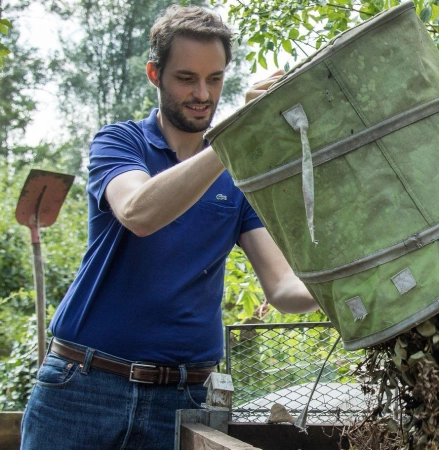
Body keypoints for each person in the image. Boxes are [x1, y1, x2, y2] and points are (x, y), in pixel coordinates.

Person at [20, 5, 318, 449]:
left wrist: (354, 287)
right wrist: (232, 140)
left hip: (182, 401)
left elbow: (282, 288)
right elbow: (140, 212)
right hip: (83, 389)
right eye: (186, 78)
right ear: (154, 74)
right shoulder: (120, 142)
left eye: (214, 79)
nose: (203, 93)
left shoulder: (241, 179)